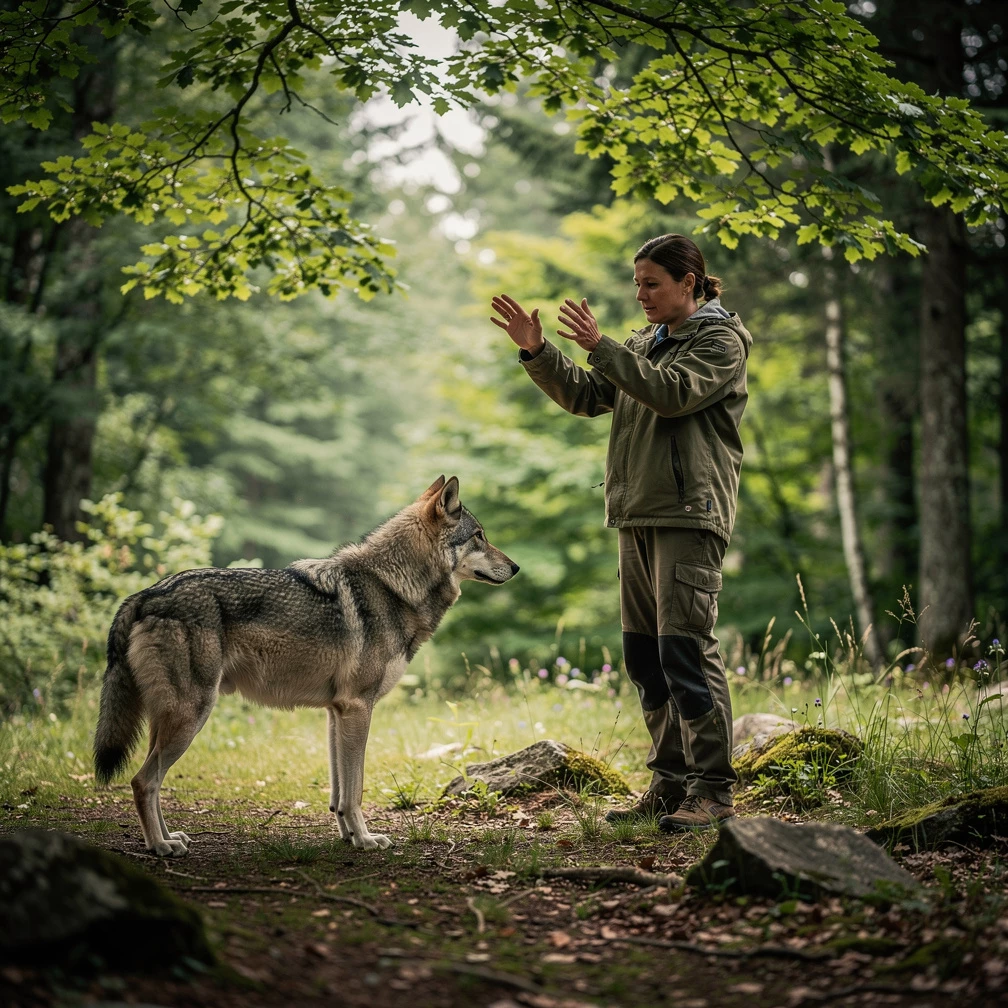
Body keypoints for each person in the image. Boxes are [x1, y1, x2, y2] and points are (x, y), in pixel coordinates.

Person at [490, 233, 752, 831]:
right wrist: (538, 352)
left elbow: (673, 395)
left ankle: (712, 791)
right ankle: (670, 781)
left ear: (689, 282)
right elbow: (588, 396)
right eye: (636, 283)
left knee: (685, 650)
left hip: (689, 513)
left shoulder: (719, 340)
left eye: (651, 283)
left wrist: (601, 346)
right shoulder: (644, 342)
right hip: (635, 511)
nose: (640, 295)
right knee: (644, 655)